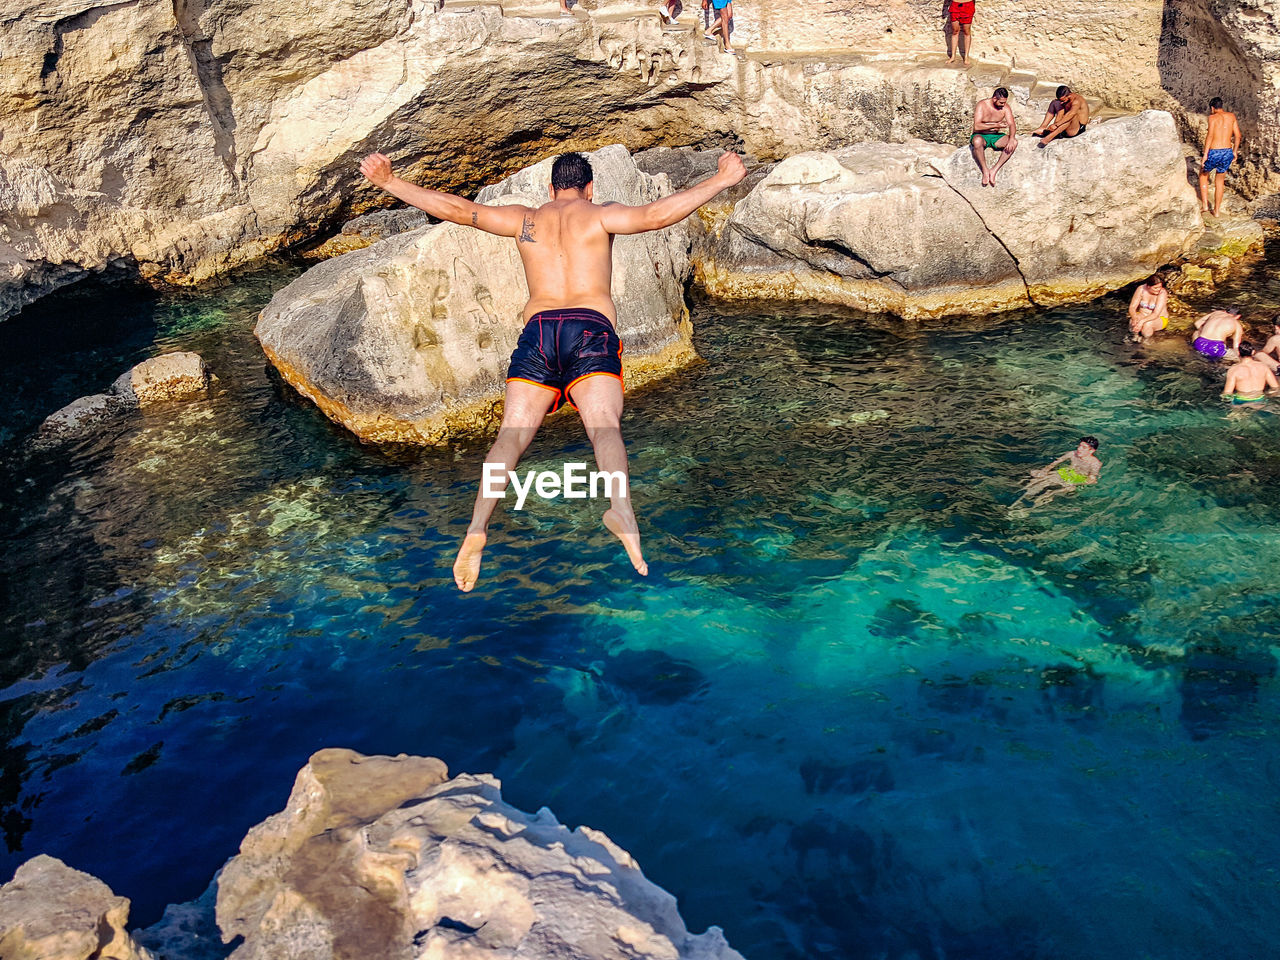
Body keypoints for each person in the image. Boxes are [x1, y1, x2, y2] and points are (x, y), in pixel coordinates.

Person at [359, 149, 747, 591]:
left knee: (511, 435)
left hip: (539, 331)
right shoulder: (600, 215)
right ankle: (621, 510)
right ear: (589, 188)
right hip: (589, 329)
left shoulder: (526, 219)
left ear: (550, 189)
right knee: (603, 427)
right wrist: (719, 181)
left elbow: (459, 209)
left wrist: (390, 182)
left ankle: (477, 527)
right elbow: (657, 216)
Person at [1012, 437, 1102, 508]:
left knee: (1050, 493)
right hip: (1065, 473)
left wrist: (1074, 483)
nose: (1079, 449)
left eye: (1084, 447)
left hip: (1075, 481)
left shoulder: (1095, 464)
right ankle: (1018, 499)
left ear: (1092, 451)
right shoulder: (1072, 453)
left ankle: (1028, 508)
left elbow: (1092, 480)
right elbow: (1056, 462)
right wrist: (1044, 471)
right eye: (1079, 446)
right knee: (1037, 482)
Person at [1199, 97, 1244, 218]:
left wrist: (1205, 155)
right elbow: (1238, 136)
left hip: (1214, 151)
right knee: (1220, 180)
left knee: (1203, 174)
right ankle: (1217, 211)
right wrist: (1235, 152)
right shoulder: (1231, 116)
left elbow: (1210, 136)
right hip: (1227, 152)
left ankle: (1205, 206)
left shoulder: (1212, 117)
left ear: (1212, 108)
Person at [969, 86, 1017, 187]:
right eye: (1001, 102)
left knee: (1014, 143)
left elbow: (1012, 124)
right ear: (994, 98)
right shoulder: (982, 105)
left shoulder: (1005, 107)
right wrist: (997, 125)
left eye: (1004, 102)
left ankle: (994, 170)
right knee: (977, 141)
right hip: (981, 135)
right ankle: (985, 170)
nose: (1003, 105)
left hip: (996, 137)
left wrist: (1012, 138)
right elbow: (977, 126)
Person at [1127, 274, 1169, 340]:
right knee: (1133, 321)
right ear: (1148, 286)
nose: (1158, 290)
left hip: (1159, 318)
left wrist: (1141, 322)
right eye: (1155, 288)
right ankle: (1134, 339)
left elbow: (1155, 314)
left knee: (1147, 324)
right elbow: (1132, 307)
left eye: (1160, 287)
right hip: (1142, 314)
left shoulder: (1162, 293)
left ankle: (1146, 343)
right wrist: (1134, 317)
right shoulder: (1141, 289)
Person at [946, 1, 975, 66]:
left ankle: (966, 56)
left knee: (967, 31)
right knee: (955, 31)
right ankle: (953, 56)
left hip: (968, 5)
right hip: (955, 5)